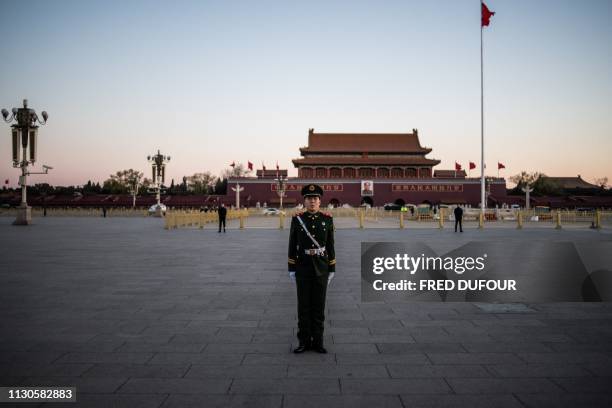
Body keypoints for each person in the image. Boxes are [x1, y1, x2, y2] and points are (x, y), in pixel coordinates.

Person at [288, 184, 336, 354]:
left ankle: (318, 341)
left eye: (315, 199)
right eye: (309, 199)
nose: (312, 201)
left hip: (321, 267)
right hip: (303, 267)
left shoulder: (327, 219)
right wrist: (291, 268)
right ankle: (303, 341)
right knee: (304, 307)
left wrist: (332, 268)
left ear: (320, 201)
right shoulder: (297, 219)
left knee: (318, 306)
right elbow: (292, 245)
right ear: (304, 201)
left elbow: (330, 245)